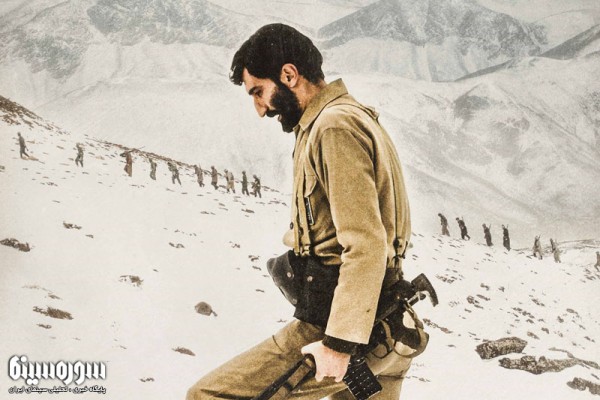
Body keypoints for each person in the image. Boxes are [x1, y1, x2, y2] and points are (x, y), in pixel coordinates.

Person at [187, 23, 420, 400]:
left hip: (342, 329)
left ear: (289, 74)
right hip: (386, 330)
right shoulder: (352, 116)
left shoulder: (334, 126)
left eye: (258, 92)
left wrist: (339, 344)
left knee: (208, 395)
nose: (260, 109)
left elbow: (366, 244)